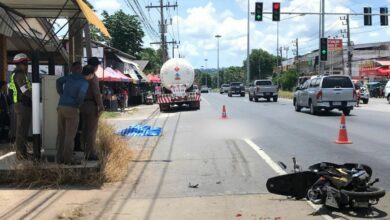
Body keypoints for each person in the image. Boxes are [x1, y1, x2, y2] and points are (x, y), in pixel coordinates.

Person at [56, 65, 94, 164]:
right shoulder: (85, 82)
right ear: (90, 74)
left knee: (61, 134)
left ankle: (59, 158)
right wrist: (78, 104)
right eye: (92, 75)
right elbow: (81, 94)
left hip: (61, 107)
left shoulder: (71, 76)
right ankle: (68, 159)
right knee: (70, 136)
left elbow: (58, 81)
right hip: (72, 109)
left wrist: (61, 93)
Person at [8, 53, 32, 160]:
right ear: (21, 63)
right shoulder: (19, 74)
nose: (26, 65)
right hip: (22, 105)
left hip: (20, 104)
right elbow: (24, 90)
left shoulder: (18, 73)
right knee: (22, 129)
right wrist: (34, 97)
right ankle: (21, 154)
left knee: (22, 129)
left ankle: (22, 152)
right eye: (25, 63)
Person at [80, 57, 104, 160]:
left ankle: (84, 150)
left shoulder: (81, 75)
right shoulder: (93, 77)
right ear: (96, 66)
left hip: (81, 105)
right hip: (91, 104)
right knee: (91, 130)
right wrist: (101, 106)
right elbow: (96, 93)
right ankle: (91, 153)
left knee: (84, 129)